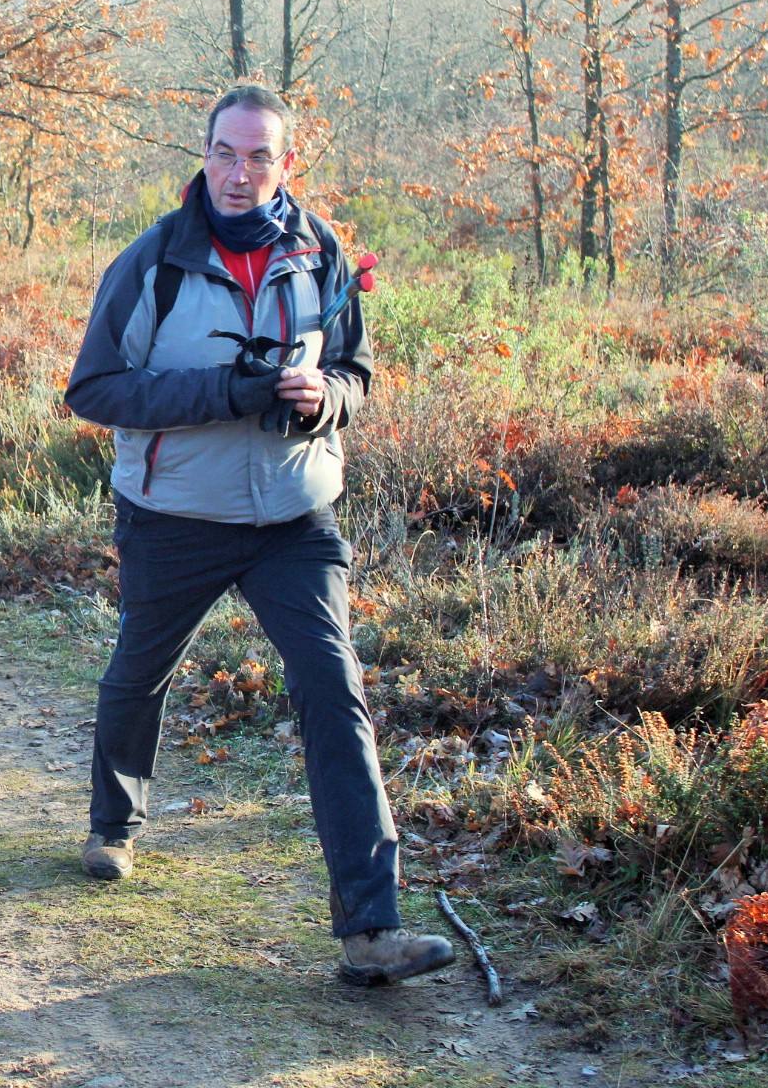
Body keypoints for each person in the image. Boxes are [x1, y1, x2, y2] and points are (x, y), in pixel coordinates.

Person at [63, 84, 453, 986]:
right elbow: (95, 391)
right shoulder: (153, 263)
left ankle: (370, 929)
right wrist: (225, 394)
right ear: (202, 153)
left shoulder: (321, 255)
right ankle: (113, 825)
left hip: (293, 518)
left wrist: (330, 401)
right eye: (225, 154)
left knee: (335, 690)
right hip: (175, 515)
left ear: (288, 163)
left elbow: (356, 369)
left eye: (259, 157)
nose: (239, 174)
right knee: (140, 671)